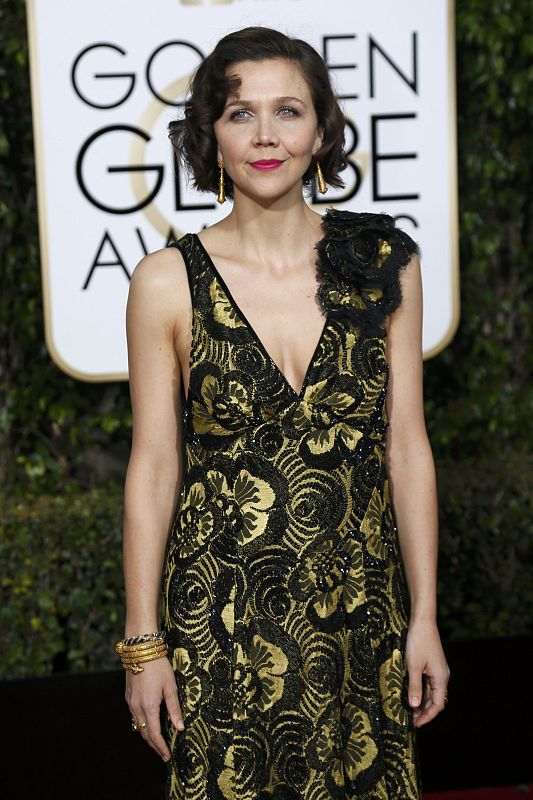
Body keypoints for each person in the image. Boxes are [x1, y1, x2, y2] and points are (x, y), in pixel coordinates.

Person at [119, 25, 450, 800]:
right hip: (222, 620)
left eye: (288, 111)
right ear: (210, 135)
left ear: (323, 130)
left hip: (358, 615)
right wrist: (143, 642)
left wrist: (424, 615)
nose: (266, 135)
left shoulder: (382, 264)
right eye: (240, 114)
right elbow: (154, 465)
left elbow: (406, 449)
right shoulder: (166, 282)